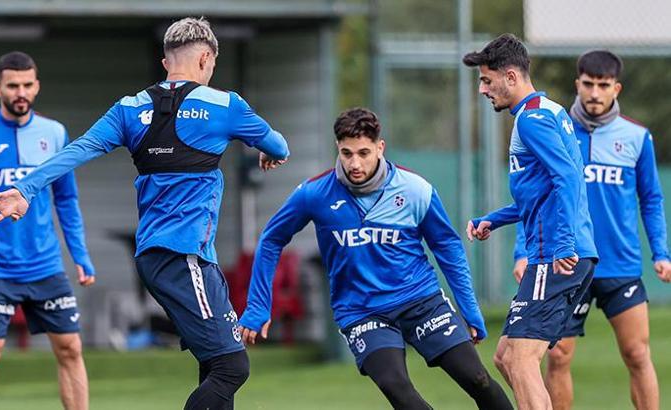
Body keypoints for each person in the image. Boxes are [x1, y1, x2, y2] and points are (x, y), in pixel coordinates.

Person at [0, 17, 289, 410]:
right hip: (184, 256)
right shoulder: (225, 105)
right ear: (206, 59)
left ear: (166, 63)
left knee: (213, 364)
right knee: (232, 367)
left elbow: (78, 149)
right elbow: (279, 146)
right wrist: (266, 151)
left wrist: (25, 188)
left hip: (161, 258)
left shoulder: (129, 108)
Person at [238, 107, 513, 410]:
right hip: (361, 311)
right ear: (337, 148)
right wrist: (258, 306)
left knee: (477, 379)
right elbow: (271, 239)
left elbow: (447, 247)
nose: (355, 163)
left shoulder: (415, 190)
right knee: (398, 389)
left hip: (420, 300)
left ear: (380, 148)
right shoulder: (314, 193)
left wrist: (469, 309)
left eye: (364, 153)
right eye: (346, 153)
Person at [512, 50, 670, 410]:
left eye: (603, 85)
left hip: (620, 264)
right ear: (577, 84)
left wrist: (660, 252)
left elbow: (651, 198)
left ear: (616, 88)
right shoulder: (554, 127)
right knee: (558, 355)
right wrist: (522, 252)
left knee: (637, 353)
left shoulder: (636, 137)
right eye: (588, 84)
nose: (594, 93)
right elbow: (534, 198)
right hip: (568, 261)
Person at [0, 51, 95, 410]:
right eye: (12, 86)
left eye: (27, 84)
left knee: (71, 348)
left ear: (37, 85)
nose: (21, 92)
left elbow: (67, 199)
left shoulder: (55, 133)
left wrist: (81, 256)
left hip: (44, 264)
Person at [462, 34, 598, 410]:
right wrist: (495, 219)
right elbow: (542, 192)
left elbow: (568, 178)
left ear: (510, 76)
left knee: (521, 360)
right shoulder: (548, 110)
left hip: (554, 255)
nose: (482, 89)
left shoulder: (531, 120)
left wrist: (564, 244)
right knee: (506, 357)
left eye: (486, 80)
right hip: (559, 250)